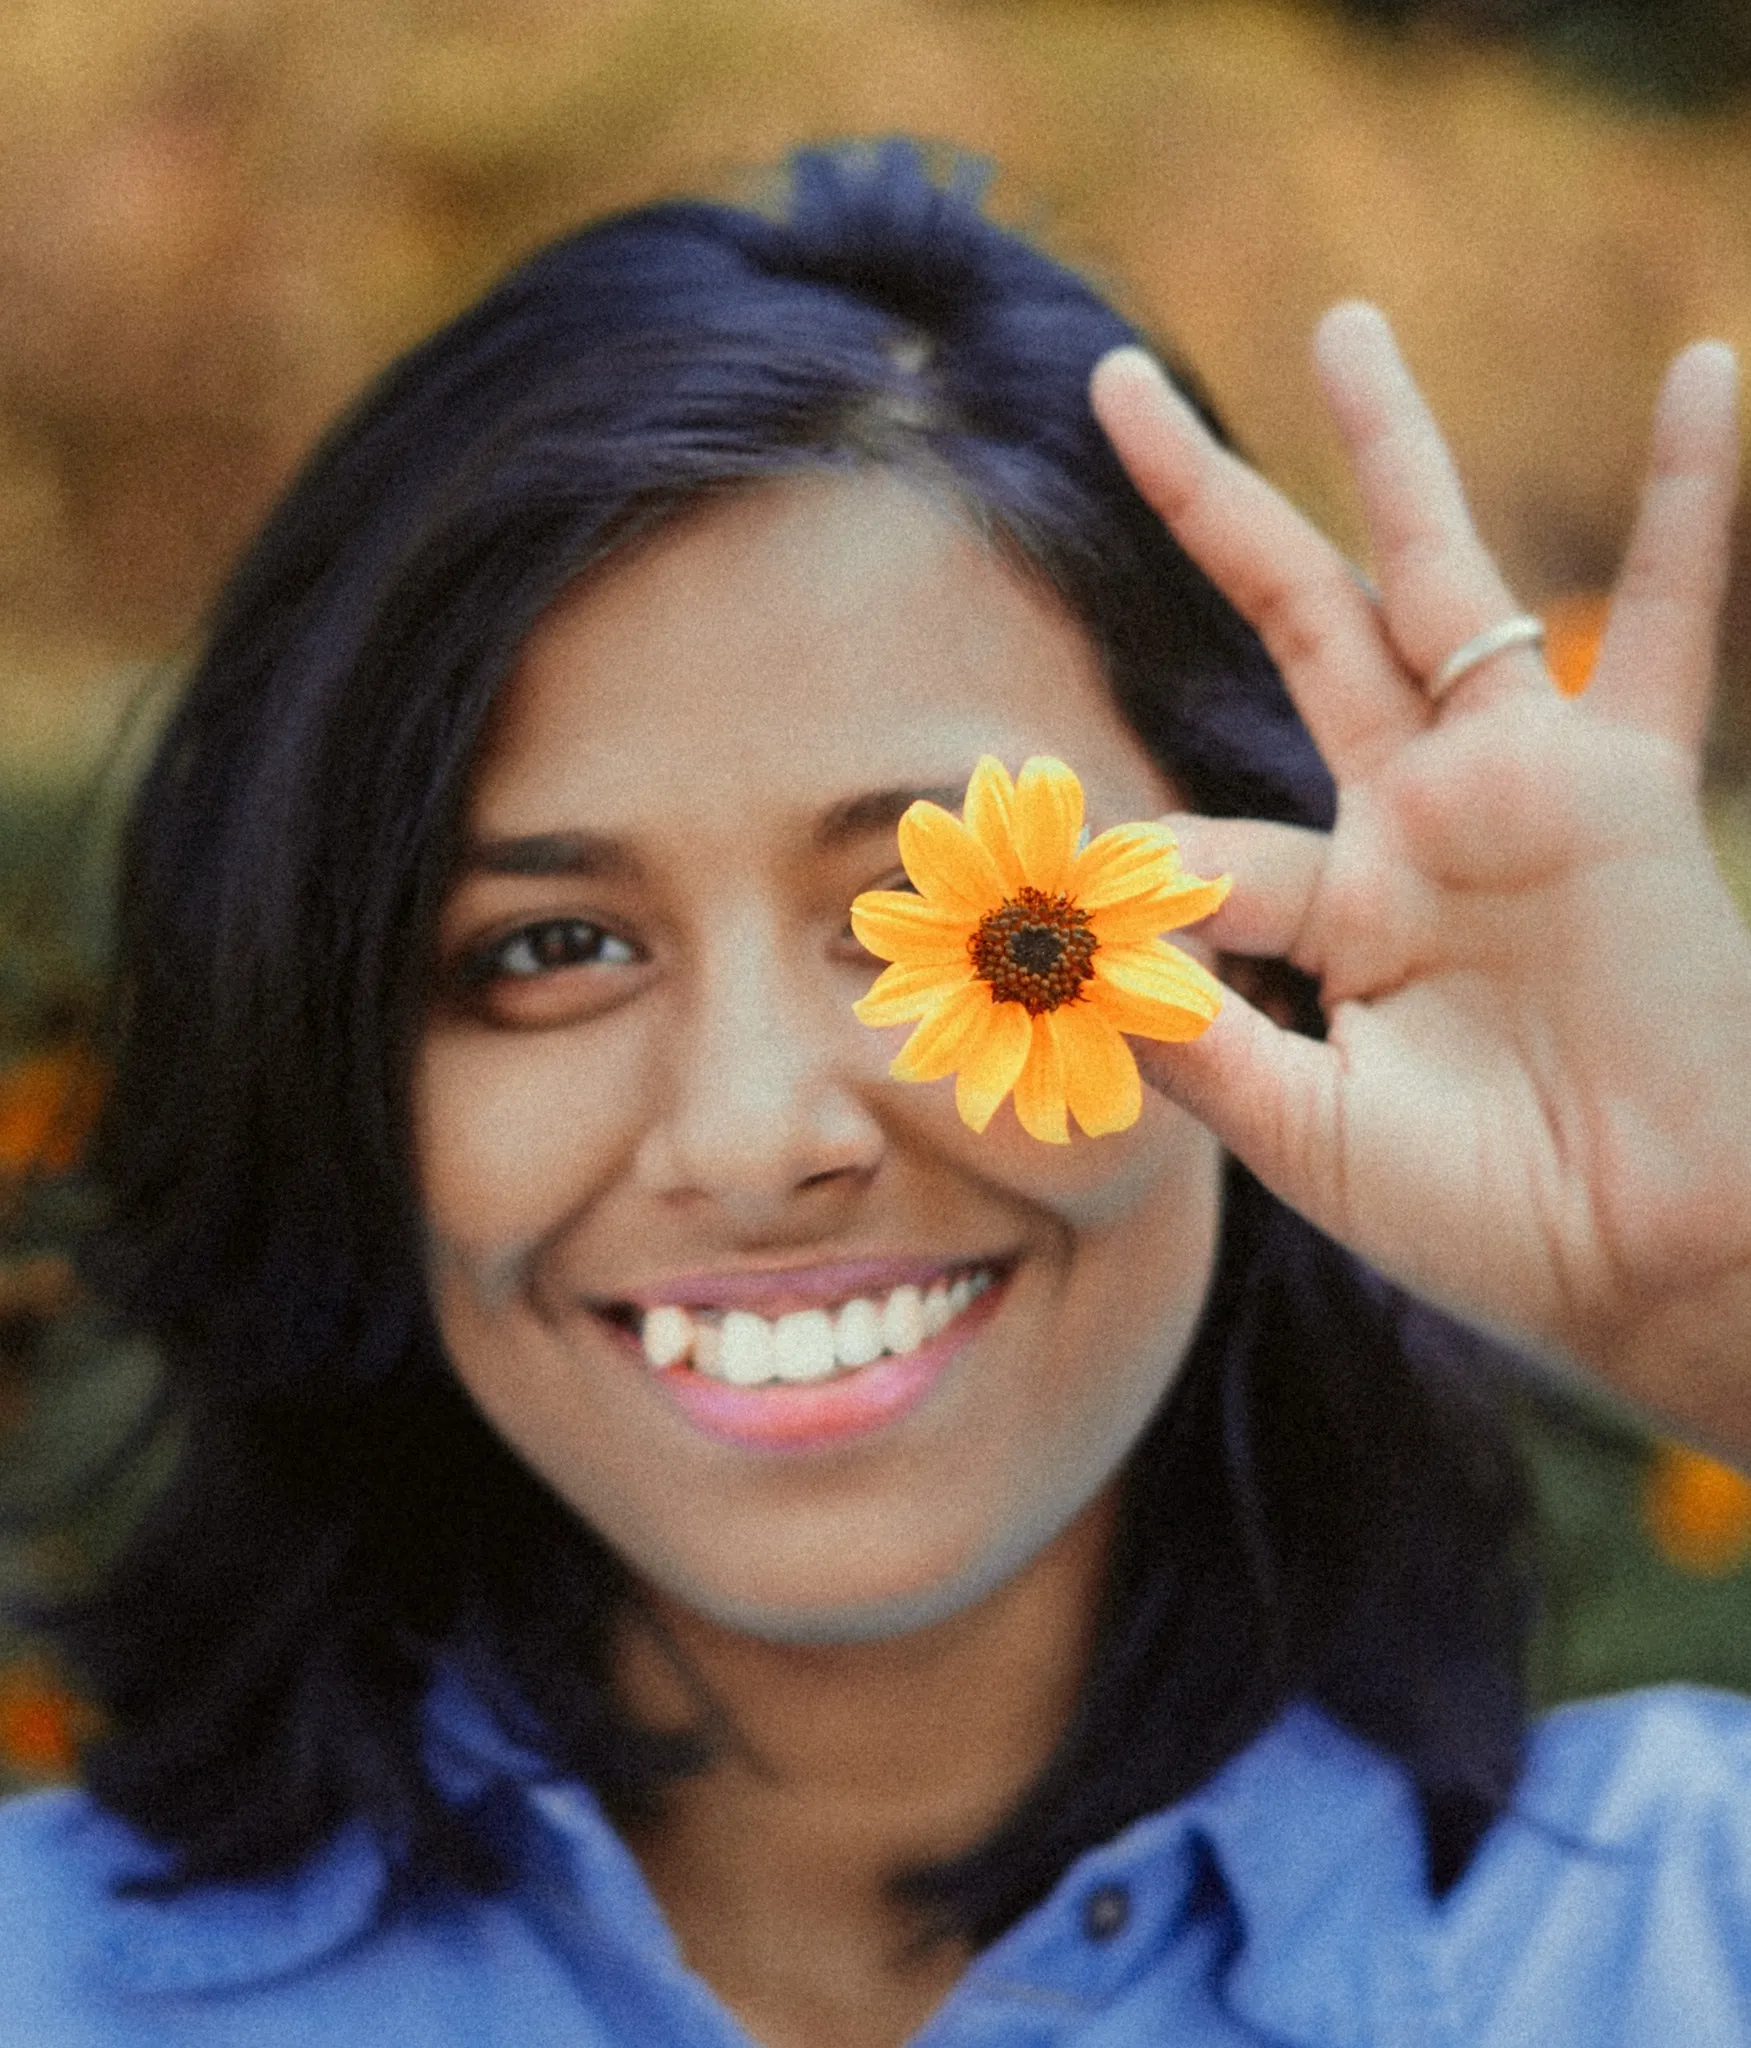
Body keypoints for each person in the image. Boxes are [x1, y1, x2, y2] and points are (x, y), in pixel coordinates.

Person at [1, 141, 1748, 2047]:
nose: (757, 1135)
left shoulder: (1679, 1948)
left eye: (949, 908)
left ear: (1273, 948)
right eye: (548, 949)